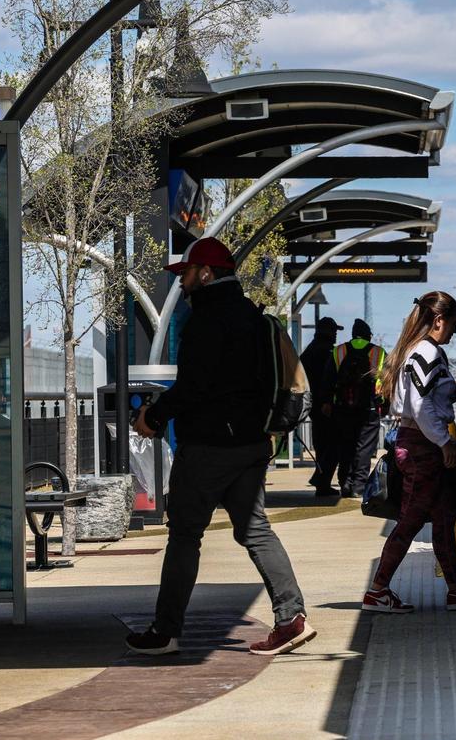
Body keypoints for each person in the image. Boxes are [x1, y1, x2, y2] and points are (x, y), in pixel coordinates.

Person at [128, 237, 316, 657]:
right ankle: (291, 617)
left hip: (209, 447)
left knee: (184, 534)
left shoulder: (205, 321)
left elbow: (195, 387)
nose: (184, 283)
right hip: (252, 444)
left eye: (188, 274)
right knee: (254, 529)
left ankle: (164, 630)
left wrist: (155, 418)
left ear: (206, 273)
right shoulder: (252, 316)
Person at [361, 291, 456, 613]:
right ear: (438, 321)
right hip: (423, 447)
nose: (453, 331)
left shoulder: (416, 351)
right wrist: (444, 442)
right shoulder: (427, 352)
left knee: (443, 517)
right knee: (410, 522)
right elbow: (420, 406)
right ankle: (378, 591)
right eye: (452, 324)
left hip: (415, 443)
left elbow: (425, 399)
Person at [322, 319, 386, 498]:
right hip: (369, 408)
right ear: (368, 335)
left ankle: (345, 483)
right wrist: (385, 404)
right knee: (364, 448)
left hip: (342, 408)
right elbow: (387, 381)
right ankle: (359, 486)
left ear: (352, 334)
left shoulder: (339, 351)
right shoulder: (378, 353)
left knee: (345, 445)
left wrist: (327, 402)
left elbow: (328, 378)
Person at [300, 316, 342, 496]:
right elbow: (328, 379)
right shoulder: (325, 352)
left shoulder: (309, 351)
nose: (335, 336)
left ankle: (321, 481)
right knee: (333, 444)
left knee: (322, 444)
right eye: (334, 332)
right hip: (325, 406)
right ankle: (321, 480)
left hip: (313, 405)